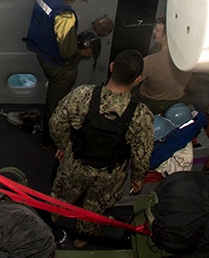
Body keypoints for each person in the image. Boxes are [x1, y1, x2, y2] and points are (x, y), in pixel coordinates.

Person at [49, 50, 154, 247]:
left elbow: (56, 124)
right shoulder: (141, 116)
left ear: (112, 67)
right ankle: (82, 240)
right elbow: (141, 155)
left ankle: (48, 223)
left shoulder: (82, 95)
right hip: (109, 175)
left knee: (60, 196)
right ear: (138, 79)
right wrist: (138, 179)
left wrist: (66, 147)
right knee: (94, 209)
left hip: (75, 164)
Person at [25, 0, 93, 148]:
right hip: (58, 65)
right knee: (56, 104)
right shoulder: (65, 15)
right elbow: (68, 51)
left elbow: (54, 4)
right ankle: (49, 140)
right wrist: (83, 54)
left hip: (41, 52)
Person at [135, 15, 191, 114]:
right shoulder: (190, 58)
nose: (154, 32)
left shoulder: (150, 61)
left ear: (166, 36)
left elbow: (132, 82)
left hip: (150, 104)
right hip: (178, 100)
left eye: (157, 30)